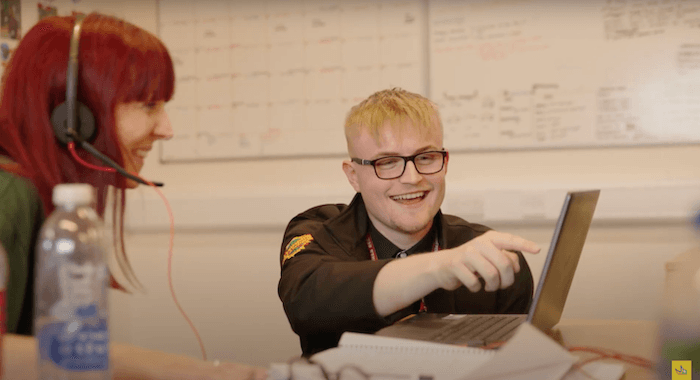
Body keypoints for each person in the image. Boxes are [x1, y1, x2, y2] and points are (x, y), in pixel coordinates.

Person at [0, 14, 266, 380]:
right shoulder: (8, 195)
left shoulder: (41, 199)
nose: (167, 129)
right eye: (148, 105)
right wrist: (165, 367)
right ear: (74, 117)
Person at [278, 88, 542, 356]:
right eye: (388, 162)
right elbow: (305, 301)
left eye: (425, 157)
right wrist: (440, 267)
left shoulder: (488, 257)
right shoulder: (318, 230)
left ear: (445, 162)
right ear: (353, 176)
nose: (412, 177)